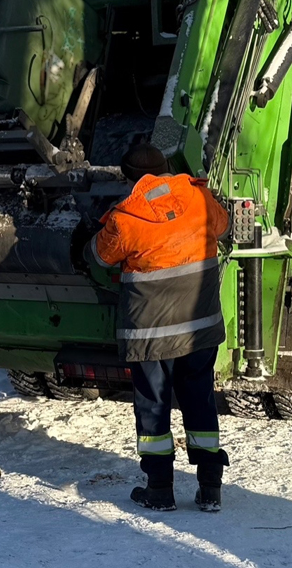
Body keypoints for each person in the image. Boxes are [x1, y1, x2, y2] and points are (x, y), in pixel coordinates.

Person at [89, 143, 230, 512]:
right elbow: (224, 225)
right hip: (199, 328)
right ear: (167, 166)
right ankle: (210, 489)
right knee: (199, 400)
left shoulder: (125, 216)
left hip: (151, 336)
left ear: (130, 179)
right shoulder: (199, 197)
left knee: (153, 406)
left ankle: (160, 491)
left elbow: (100, 256)